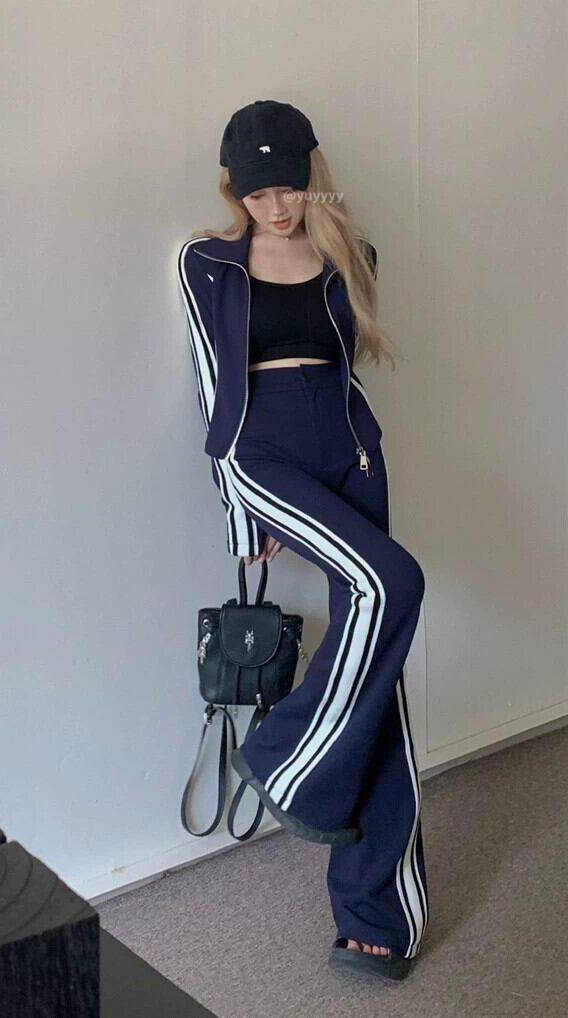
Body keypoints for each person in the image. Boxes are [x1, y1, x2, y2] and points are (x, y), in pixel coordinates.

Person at [175, 99, 428, 982]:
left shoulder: (352, 255)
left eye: (287, 189)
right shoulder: (206, 262)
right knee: (393, 584)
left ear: (311, 176)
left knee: (379, 673)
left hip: (349, 447)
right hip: (263, 451)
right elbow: (212, 384)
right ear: (234, 192)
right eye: (257, 195)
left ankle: (375, 914)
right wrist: (238, 512)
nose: (276, 209)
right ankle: (284, 753)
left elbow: (348, 365)